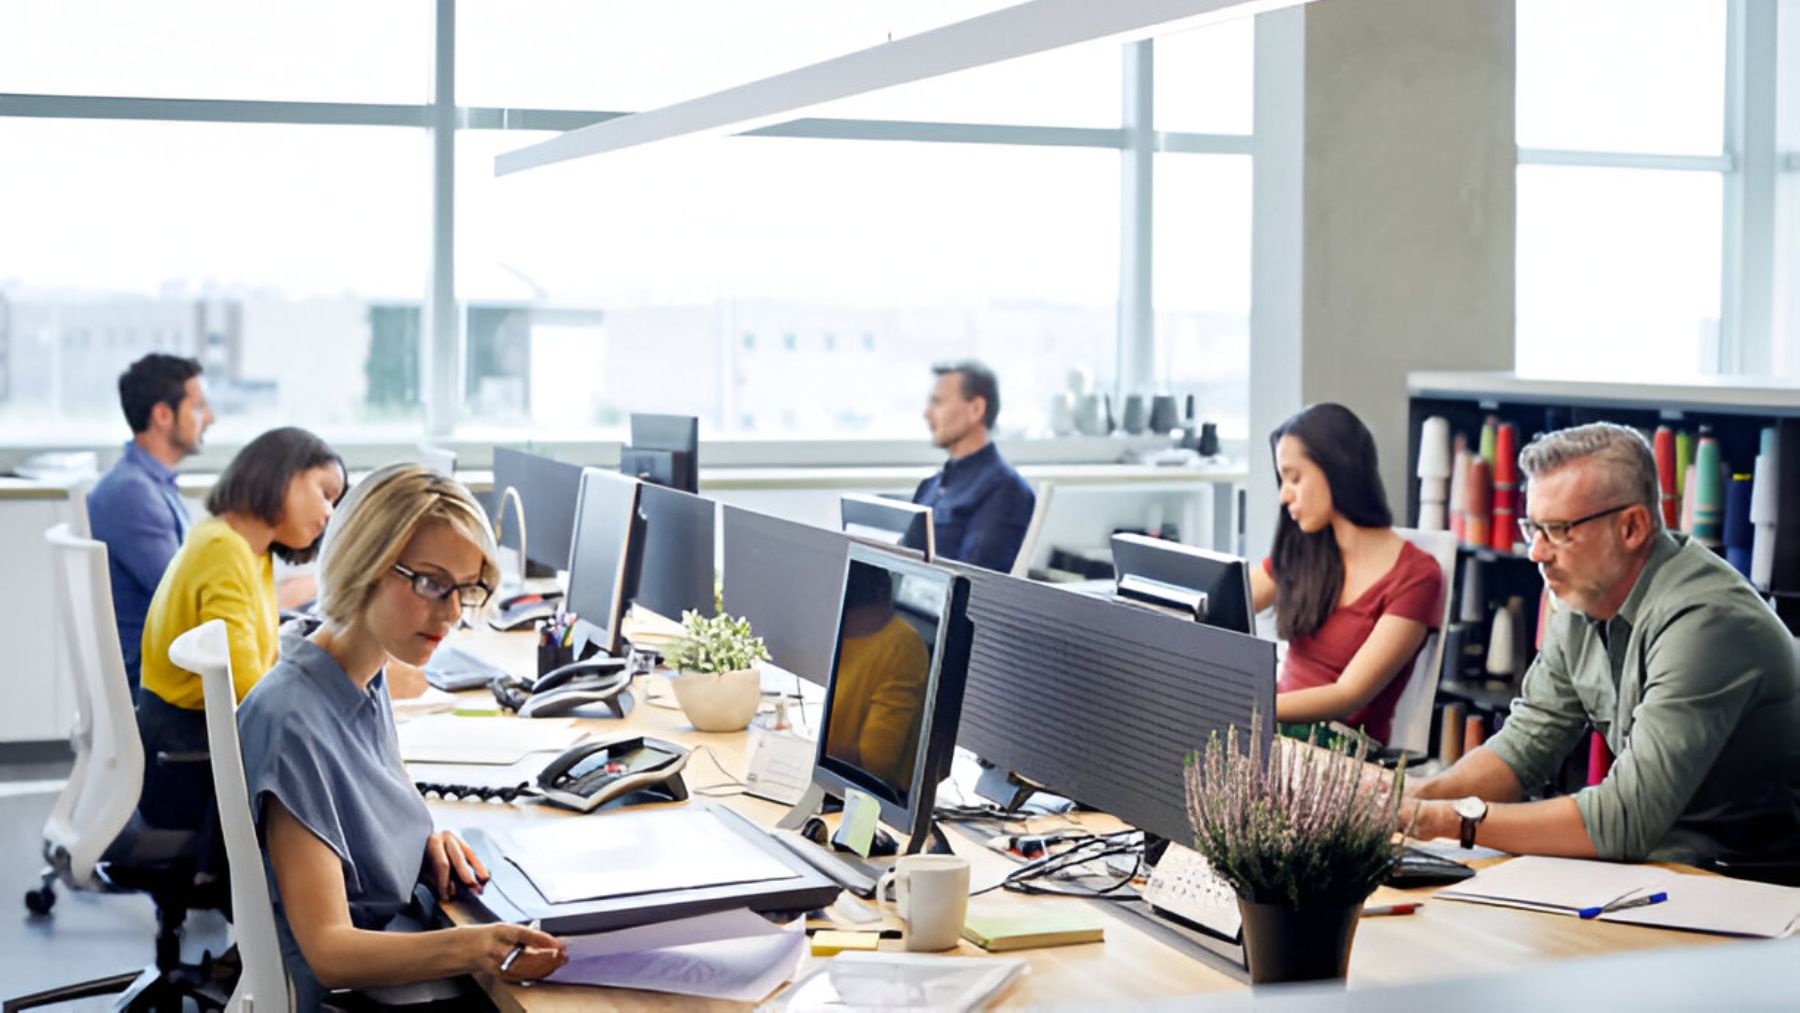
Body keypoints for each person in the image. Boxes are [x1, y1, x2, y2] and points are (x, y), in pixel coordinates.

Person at [239, 464, 566, 1007]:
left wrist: (421, 842)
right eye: (432, 583)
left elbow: (365, 812)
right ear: (363, 563)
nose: (453, 612)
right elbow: (330, 950)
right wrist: (476, 947)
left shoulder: (361, 676)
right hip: (358, 993)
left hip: (396, 950)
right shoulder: (292, 720)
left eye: (466, 589)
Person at [1405, 423, 1800, 865]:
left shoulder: (1707, 622)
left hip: (1755, 887)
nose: (1536, 552)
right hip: (1667, 872)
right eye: (1531, 528)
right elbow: (1524, 746)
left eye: (1557, 529)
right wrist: (1413, 803)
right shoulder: (1582, 600)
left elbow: (1623, 820)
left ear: (1632, 527)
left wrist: (1442, 819)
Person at [136, 427, 345, 843]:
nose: (329, 514)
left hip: (194, 744)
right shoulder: (224, 549)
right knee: (328, 749)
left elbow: (258, 659)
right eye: (324, 493)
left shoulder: (246, 549)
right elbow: (248, 691)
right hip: (187, 763)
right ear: (282, 475)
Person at [1248, 403, 1444, 746]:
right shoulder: (1305, 551)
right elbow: (1228, 599)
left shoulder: (1417, 577)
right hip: (1276, 732)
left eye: (1294, 477)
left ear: (1337, 467)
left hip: (1340, 749)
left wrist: (1251, 708)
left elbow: (1348, 695)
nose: (1284, 495)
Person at [88, 353, 215, 693]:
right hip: (153, 684)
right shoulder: (133, 494)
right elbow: (185, 602)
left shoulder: (146, 484)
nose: (210, 417)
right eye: (198, 407)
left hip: (157, 669)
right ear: (162, 414)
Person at [912, 360, 1036, 572]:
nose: (927, 414)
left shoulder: (1006, 489)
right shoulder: (930, 486)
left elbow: (973, 581)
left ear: (976, 409)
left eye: (938, 402)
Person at [824, 563, 930, 792]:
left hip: (858, 794)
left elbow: (873, 765)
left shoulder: (901, 646)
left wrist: (809, 746)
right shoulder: (833, 632)